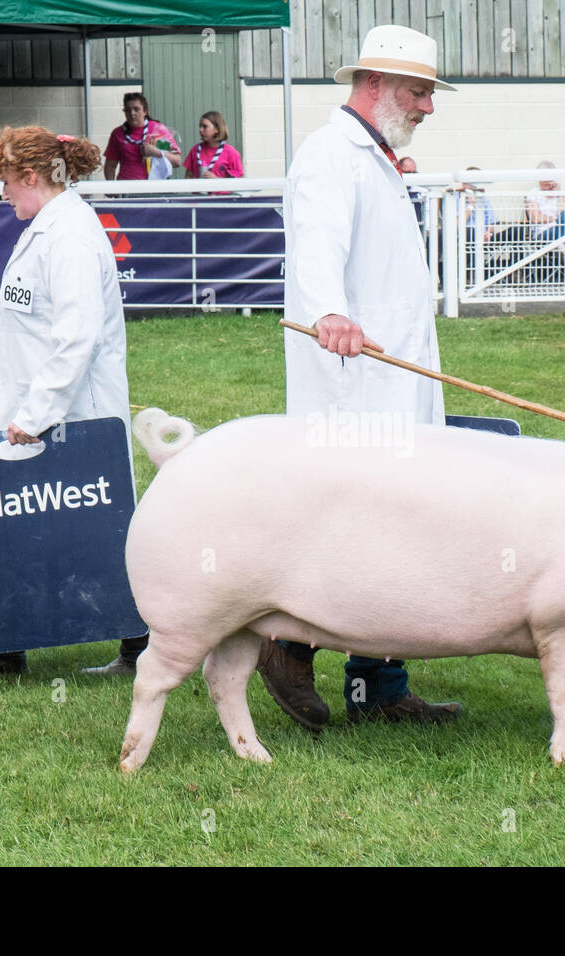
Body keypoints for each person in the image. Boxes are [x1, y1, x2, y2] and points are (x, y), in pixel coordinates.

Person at [263, 24, 463, 729]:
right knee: (353, 524)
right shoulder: (331, 156)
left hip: (392, 378)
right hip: (355, 380)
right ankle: (287, 641)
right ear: (372, 84)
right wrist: (328, 313)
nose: (427, 107)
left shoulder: (375, 158)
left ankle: (379, 685)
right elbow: (316, 242)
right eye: (418, 91)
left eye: (430, 93)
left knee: (393, 528)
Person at [0, 125, 147, 676]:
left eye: (6, 182)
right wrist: (0, 360)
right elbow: (38, 322)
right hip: (43, 410)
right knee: (17, 526)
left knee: (97, 531)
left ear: (31, 176)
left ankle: (140, 649)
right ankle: (5, 649)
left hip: (75, 414)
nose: (2, 194)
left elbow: (76, 337)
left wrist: (33, 416)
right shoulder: (46, 228)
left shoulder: (70, 236)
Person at [524, 161, 565, 287]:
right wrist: (556, 221)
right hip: (543, 233)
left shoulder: (561, 193)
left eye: (550, 179)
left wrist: (558, 194)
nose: (547, 182)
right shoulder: (533, 194)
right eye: (544, 179)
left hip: (563, 229)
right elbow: (536, 218)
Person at [103, 93, 181, 181]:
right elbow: (110, 165)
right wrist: (111, 189)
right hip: (127, 188)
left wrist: (155, 152)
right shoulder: (118, 134)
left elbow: (177, 161)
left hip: (155, 188)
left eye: (136, 109)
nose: (132, 113)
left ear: (145, 111)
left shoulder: (157, 130)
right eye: (128, 110)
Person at [182, 111, 244, 180]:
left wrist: (216, 180)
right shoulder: (195, 150)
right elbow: (188, 176)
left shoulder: (231, 153)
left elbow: (239, 179)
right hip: (199, 190)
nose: (200, 130)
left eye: (205, 127)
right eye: (200, 126)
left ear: (217, 129)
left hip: (221, 190)